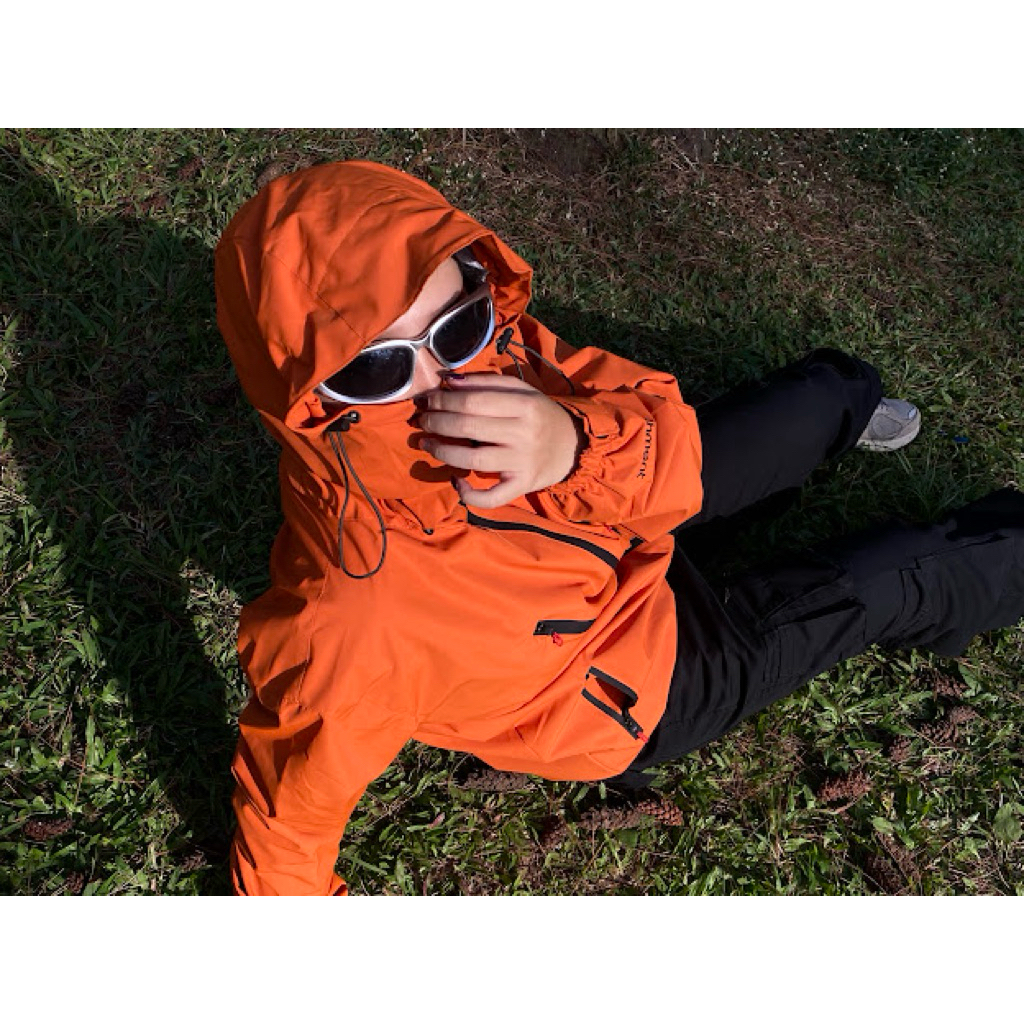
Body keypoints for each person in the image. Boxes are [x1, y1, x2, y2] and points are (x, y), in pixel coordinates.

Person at [214, 159, 1024, 895]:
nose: (444, 381)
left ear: (476, 279)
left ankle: (848, 409)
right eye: (377, 367)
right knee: (882, 581)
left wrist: (573, 443)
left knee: (811, 401)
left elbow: (653, 409)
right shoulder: (353, 624)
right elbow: (289, 818)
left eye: (455, 326)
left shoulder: (491, 350)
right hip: (621, 684)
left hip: (615, 515)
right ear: (308, 400)